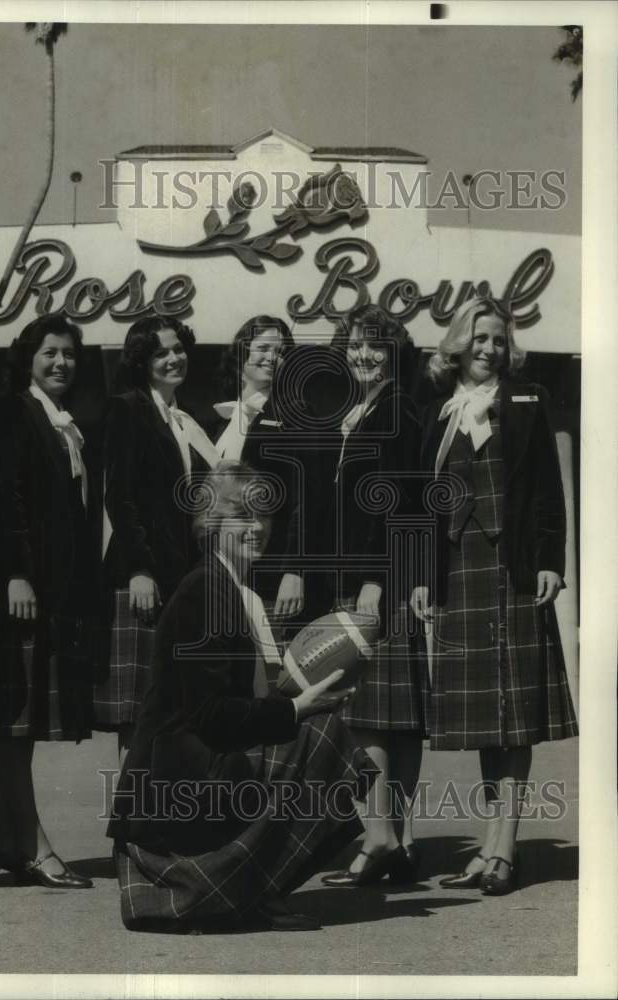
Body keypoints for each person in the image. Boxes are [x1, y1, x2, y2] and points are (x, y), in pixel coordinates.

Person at [108, 461, 379, 933]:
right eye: (243, 516)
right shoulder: (206, 590)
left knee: (314, 726)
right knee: (317, 734)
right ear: (212, 523)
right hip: (175, 791)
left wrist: (302, 700)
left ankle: (250, 889)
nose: (258, 528)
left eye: (264, 517)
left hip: (189, 774)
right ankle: (244, 890)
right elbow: (211, 715)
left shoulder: (227, 587)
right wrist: (296, 707)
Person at [411, 295, 578, 895]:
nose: (489, 349)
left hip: (513, 569)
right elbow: (424, 505)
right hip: (459, 573)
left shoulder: (528, 400)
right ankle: (488, 845)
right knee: (489, 719)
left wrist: (551, 562)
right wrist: (422, 574)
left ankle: (504, 848)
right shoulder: (439, 410)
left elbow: (547, 491)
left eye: (499, 340)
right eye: (480, 338)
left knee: (515, 716)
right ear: (459, 344)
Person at [0, 314, 102, 889]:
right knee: (17, 720)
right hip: (23, 590)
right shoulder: (14, 411)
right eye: (50, 352)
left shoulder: (64, 421)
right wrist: (15, 575)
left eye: (69, 353)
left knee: (24, 723)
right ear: (28, 357)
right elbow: (6, 497)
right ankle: (28, 843)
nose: (61, 362)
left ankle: (8, 839)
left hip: (55, 592)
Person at [318, 304, 428, 888]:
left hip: (377, 580)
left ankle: (379, 835)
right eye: (356, 344)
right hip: (380, 578)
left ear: (393, 353)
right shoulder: (367, 407)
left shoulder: (394, 408)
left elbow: (399, 499)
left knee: (369, 715)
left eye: (376, 346)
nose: (363, 354)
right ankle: (401, 841)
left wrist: (375, 578)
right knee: (396, 718)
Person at [93, 316, 218, 756]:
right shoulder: (128, 408)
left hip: (182, 579)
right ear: (141, 361)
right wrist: (139, 569)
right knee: (141, 710)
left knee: (175, 706)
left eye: (178, 349)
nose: (173, 358)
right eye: (161, 352)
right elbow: (119, 496)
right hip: (145, 579)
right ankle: (132, 798)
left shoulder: (187, 419)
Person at [211, 316, 303, 626]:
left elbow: (305, 500)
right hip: (220, 574)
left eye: (280, 352)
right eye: (263, 348)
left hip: (269, 574)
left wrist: (294, 570)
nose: (272, 357)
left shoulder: (294, 417)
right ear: (241, 352)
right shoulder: (220, 423)